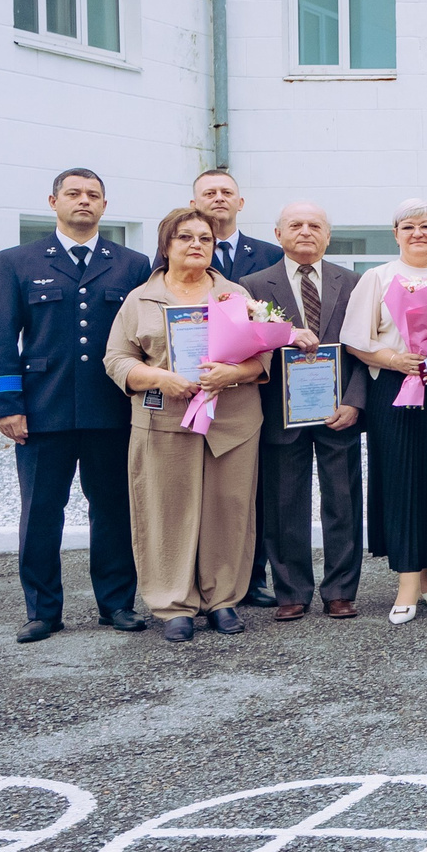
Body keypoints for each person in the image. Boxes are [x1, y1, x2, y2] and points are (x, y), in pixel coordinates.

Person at [0, 167, 150, 643]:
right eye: (73, 193)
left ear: (104, 206)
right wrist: (6, 406)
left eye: (93, 195)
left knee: (114, 510)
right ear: (53, 201)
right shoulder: (16, 261)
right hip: (42, 410)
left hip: (111, 411)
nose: (84, 201)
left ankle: (116, 603)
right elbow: (0, 337)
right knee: (40, 513)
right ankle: (42, 611)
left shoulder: (132, 264)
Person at [101, 207, 270, 642]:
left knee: (229, 510)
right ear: (166, 245)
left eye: (205, 238)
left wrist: (234, 372)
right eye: (185, 237)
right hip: (164, 422)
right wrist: (159, 377)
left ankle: (223, 600)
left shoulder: (237, 295)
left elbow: (265, 354)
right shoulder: (141, 298)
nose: (196, 244)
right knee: (164, 512)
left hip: (231, 422)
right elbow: (117, 359)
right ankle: (172, 603)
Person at [239, 204, 366, 621]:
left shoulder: (352, 283)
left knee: (343, 503)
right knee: (283, 502)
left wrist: (355, 401)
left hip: (338, 410)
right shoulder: (253, 286)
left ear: (328, 236)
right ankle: (291, 591)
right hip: (281, 411)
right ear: (278, 234)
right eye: (296, 225)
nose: (306, 232)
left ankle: (341, 591)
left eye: (316, 226)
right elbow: (246, 348)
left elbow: (363, 350)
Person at [342, 199, 427, 625]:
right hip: (393, 386)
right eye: (408, 227)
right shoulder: (378, 278)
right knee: (401, 479)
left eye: (426, 226)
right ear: (395, 234)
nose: (417, 233)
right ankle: (406, 583)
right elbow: (354, 337)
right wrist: (392, 359)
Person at [191, 167, 285, 609]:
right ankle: (200, 578)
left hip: (255, 388)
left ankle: (253, 576)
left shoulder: (268, 254)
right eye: (209, 192)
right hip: (196, 390)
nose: (219, 198)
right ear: (195, 203)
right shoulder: (176, 252)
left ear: (240, 203)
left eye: (227, 192)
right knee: (202, 487)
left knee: (255, 487)